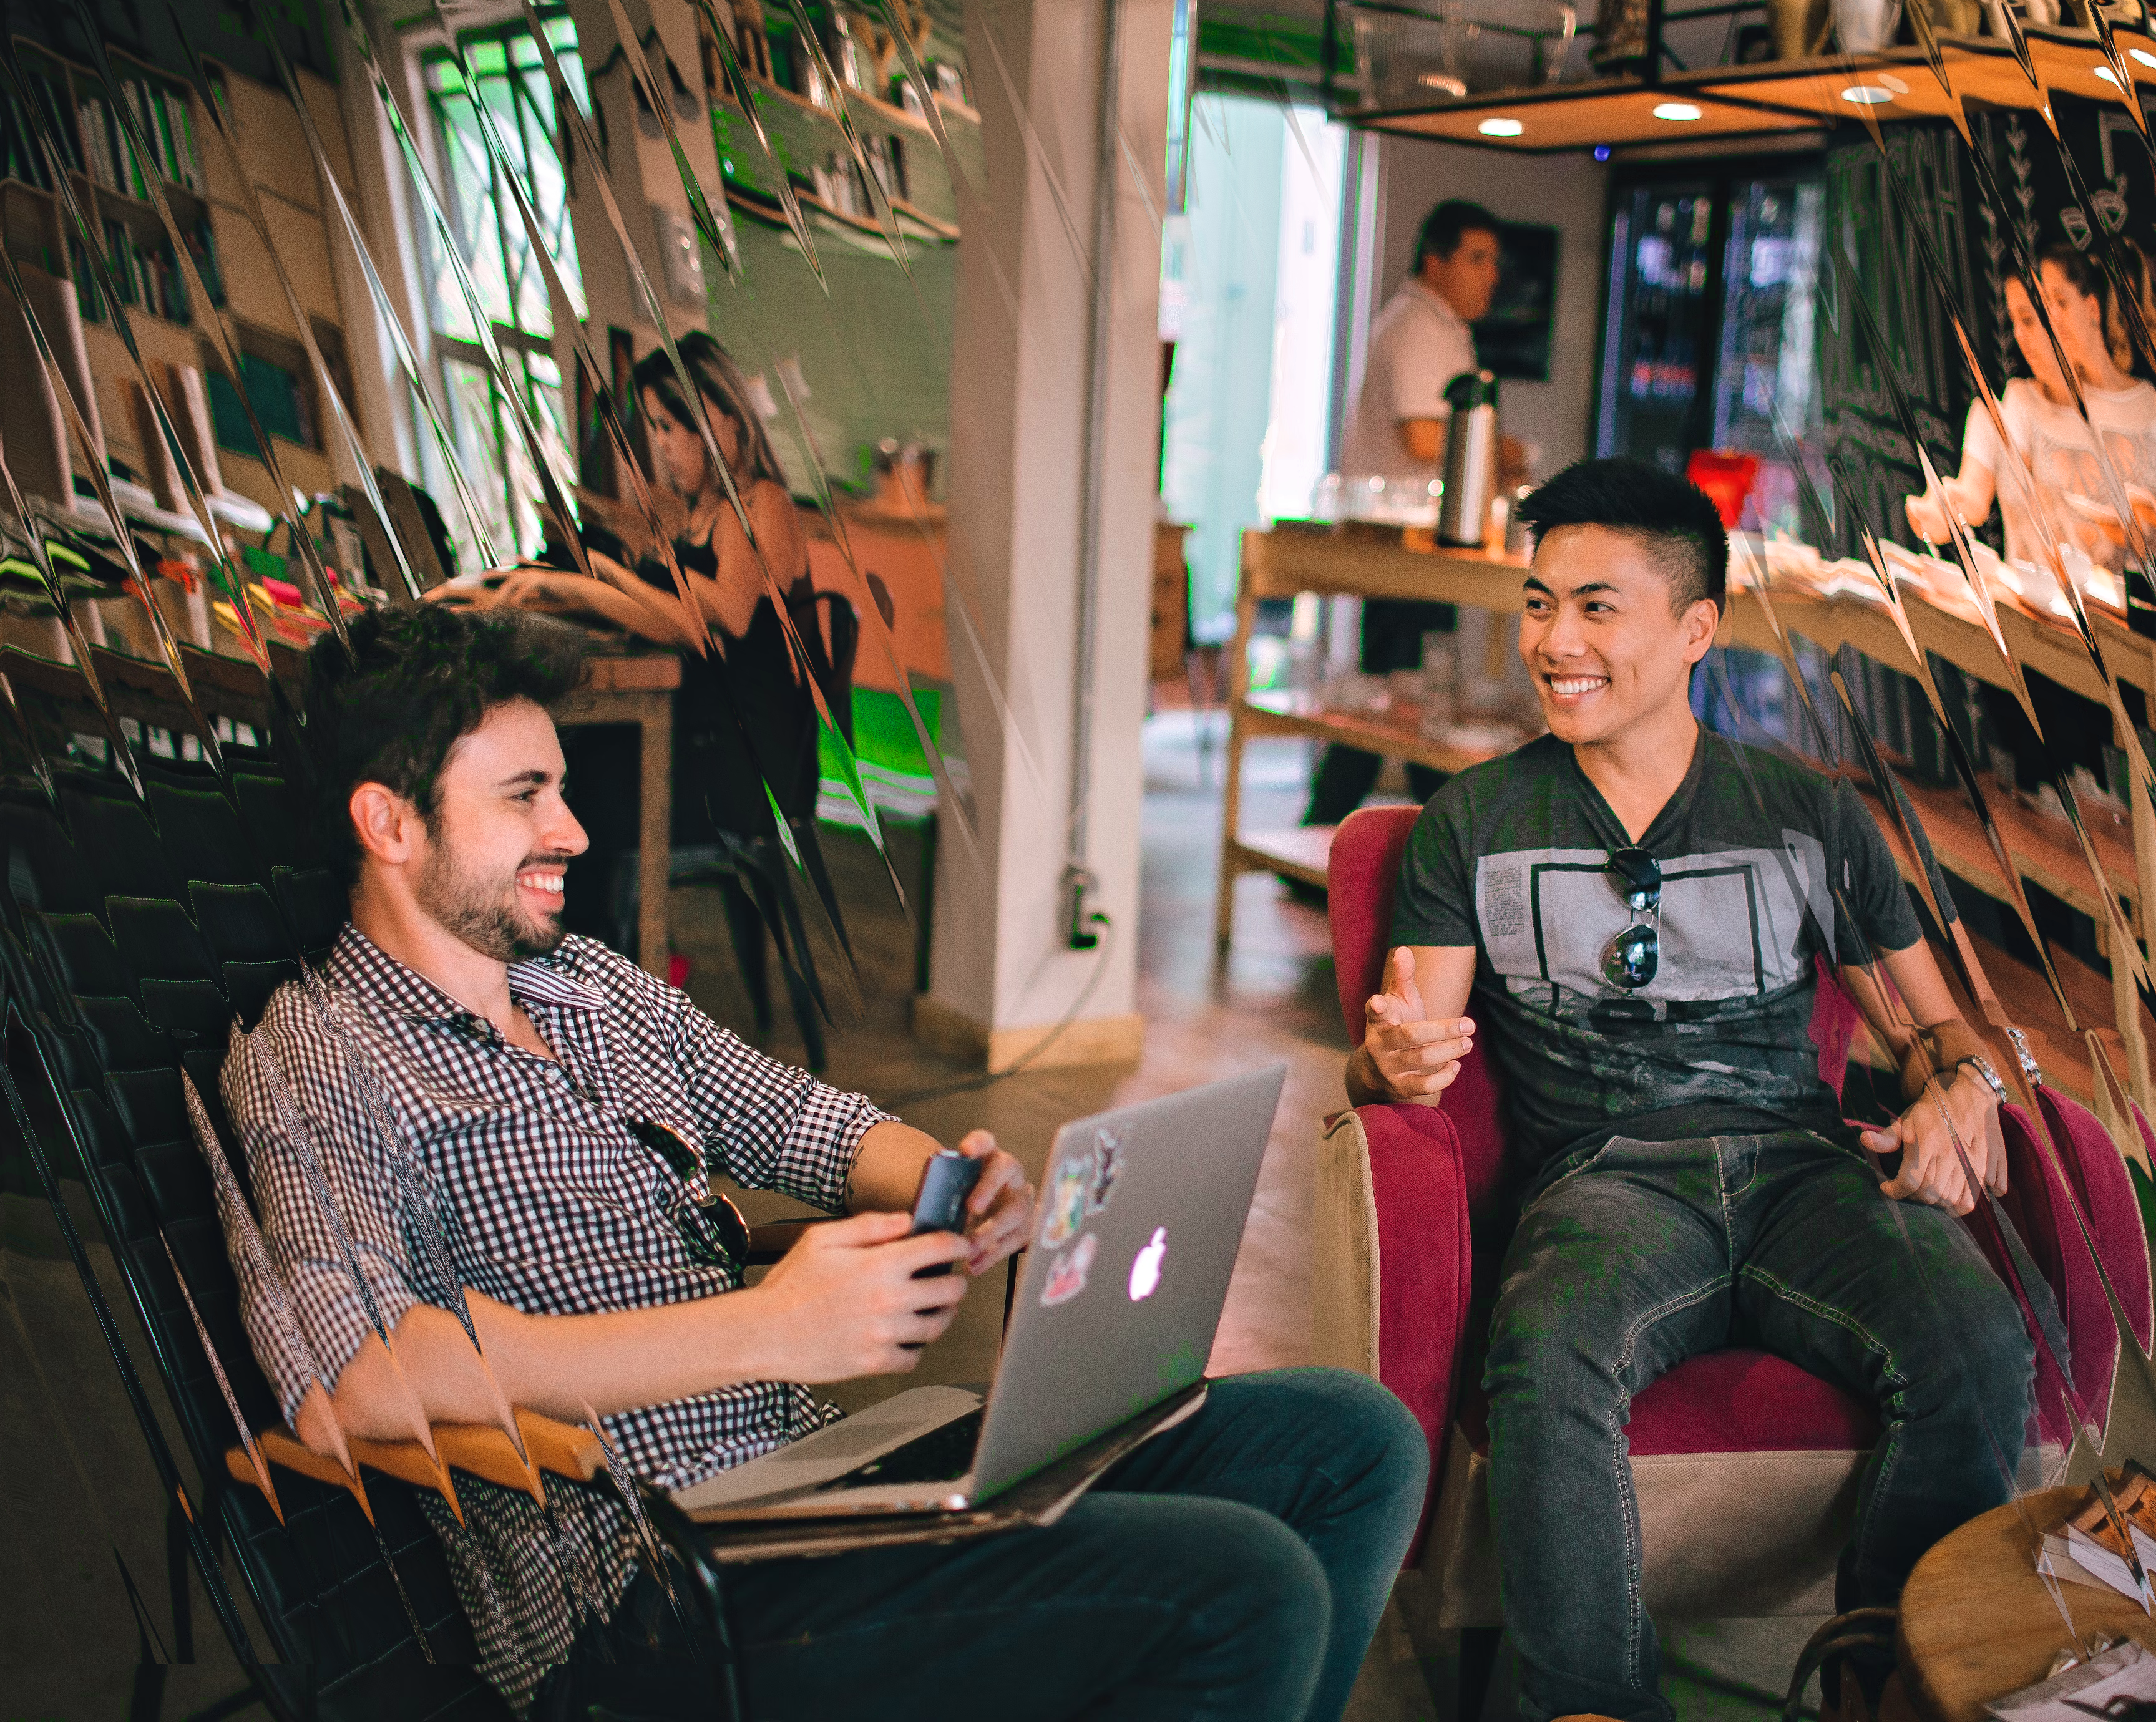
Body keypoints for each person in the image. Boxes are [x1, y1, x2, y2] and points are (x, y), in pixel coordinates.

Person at [221, 603, 1428, 1722]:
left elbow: (815, 1125)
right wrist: (766, 1332)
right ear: (389, 822)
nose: (573, 831)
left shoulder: (593, 990)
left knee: (1352, 1441)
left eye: (564, 791)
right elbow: (358, 1383)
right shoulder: (320, 1055)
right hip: (653, 1594)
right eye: (525, 797)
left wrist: (952, 1189)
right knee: (1242, 1587)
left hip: (821, 1485)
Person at [1348, 458, 2034, 1722]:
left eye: (1594, 607)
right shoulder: (1472, 823)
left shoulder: (1802, 818)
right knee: (1546, 1350)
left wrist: (1963, 1088)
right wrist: (1385, 1064)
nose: (1552, 644)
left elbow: (1941, 1028)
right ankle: (1588, 1706)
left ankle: (1883, 1686)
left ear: (1694, 629)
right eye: (1536, 603)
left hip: (1803, 1170)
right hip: (1604, 1181)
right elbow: (1406, 1040)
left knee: (1973, 1343)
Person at [455, 332, 835, 1066]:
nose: (661, 446)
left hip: (741, 767)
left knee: (577, 799)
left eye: (669, 427)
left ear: (722, 421)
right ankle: (565, 990)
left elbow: (717, 618)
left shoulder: (765, 506)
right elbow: (666, 568)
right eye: (655, 428)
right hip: (704, 741)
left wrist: (586, 584)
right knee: (570, 773)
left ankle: (582, 1013)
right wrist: (592, 559)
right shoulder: (707, 508)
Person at [1309, 199, 1528, 831]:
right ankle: (1342, 835)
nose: (1489, 275)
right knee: (1401, 701)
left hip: (1422, 546)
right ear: (1433, 261)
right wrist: (1506, 449)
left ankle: (1417, 838)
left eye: (1494, 262)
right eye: (1476, 259)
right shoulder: (1417, 328)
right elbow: (1424, 438)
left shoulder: (1435, 326)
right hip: (1404, 545)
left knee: (1407, 698)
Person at [1905, 241, 2156, 575]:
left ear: (2091, 310)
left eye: (2043, 313)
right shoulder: (2008, 406)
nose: (2024, 335)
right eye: (2018, 321)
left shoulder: (2141, 406)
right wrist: (1944, 508)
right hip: (2033, 617)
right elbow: (1971, 497)